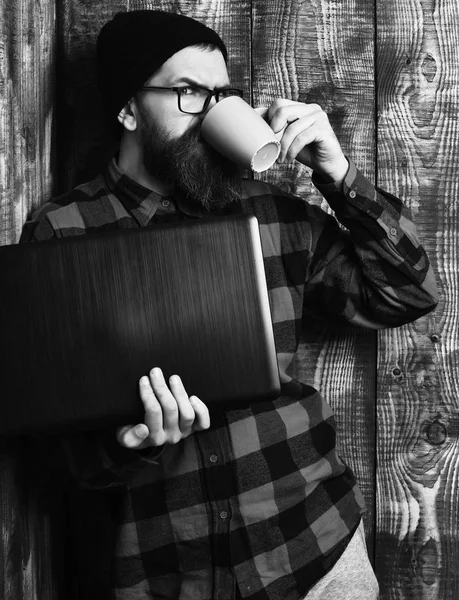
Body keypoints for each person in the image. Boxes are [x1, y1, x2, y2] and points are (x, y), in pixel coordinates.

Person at [20, 9, 438, 600]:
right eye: (189, 91)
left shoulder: (275, 214)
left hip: (314, 551)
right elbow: (50, 446)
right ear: (128, 109)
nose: (212, 111)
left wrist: (338, 176)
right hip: (167, 574)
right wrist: (125, 444)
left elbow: (407, 291)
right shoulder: (62, 233)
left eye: (221, 93)